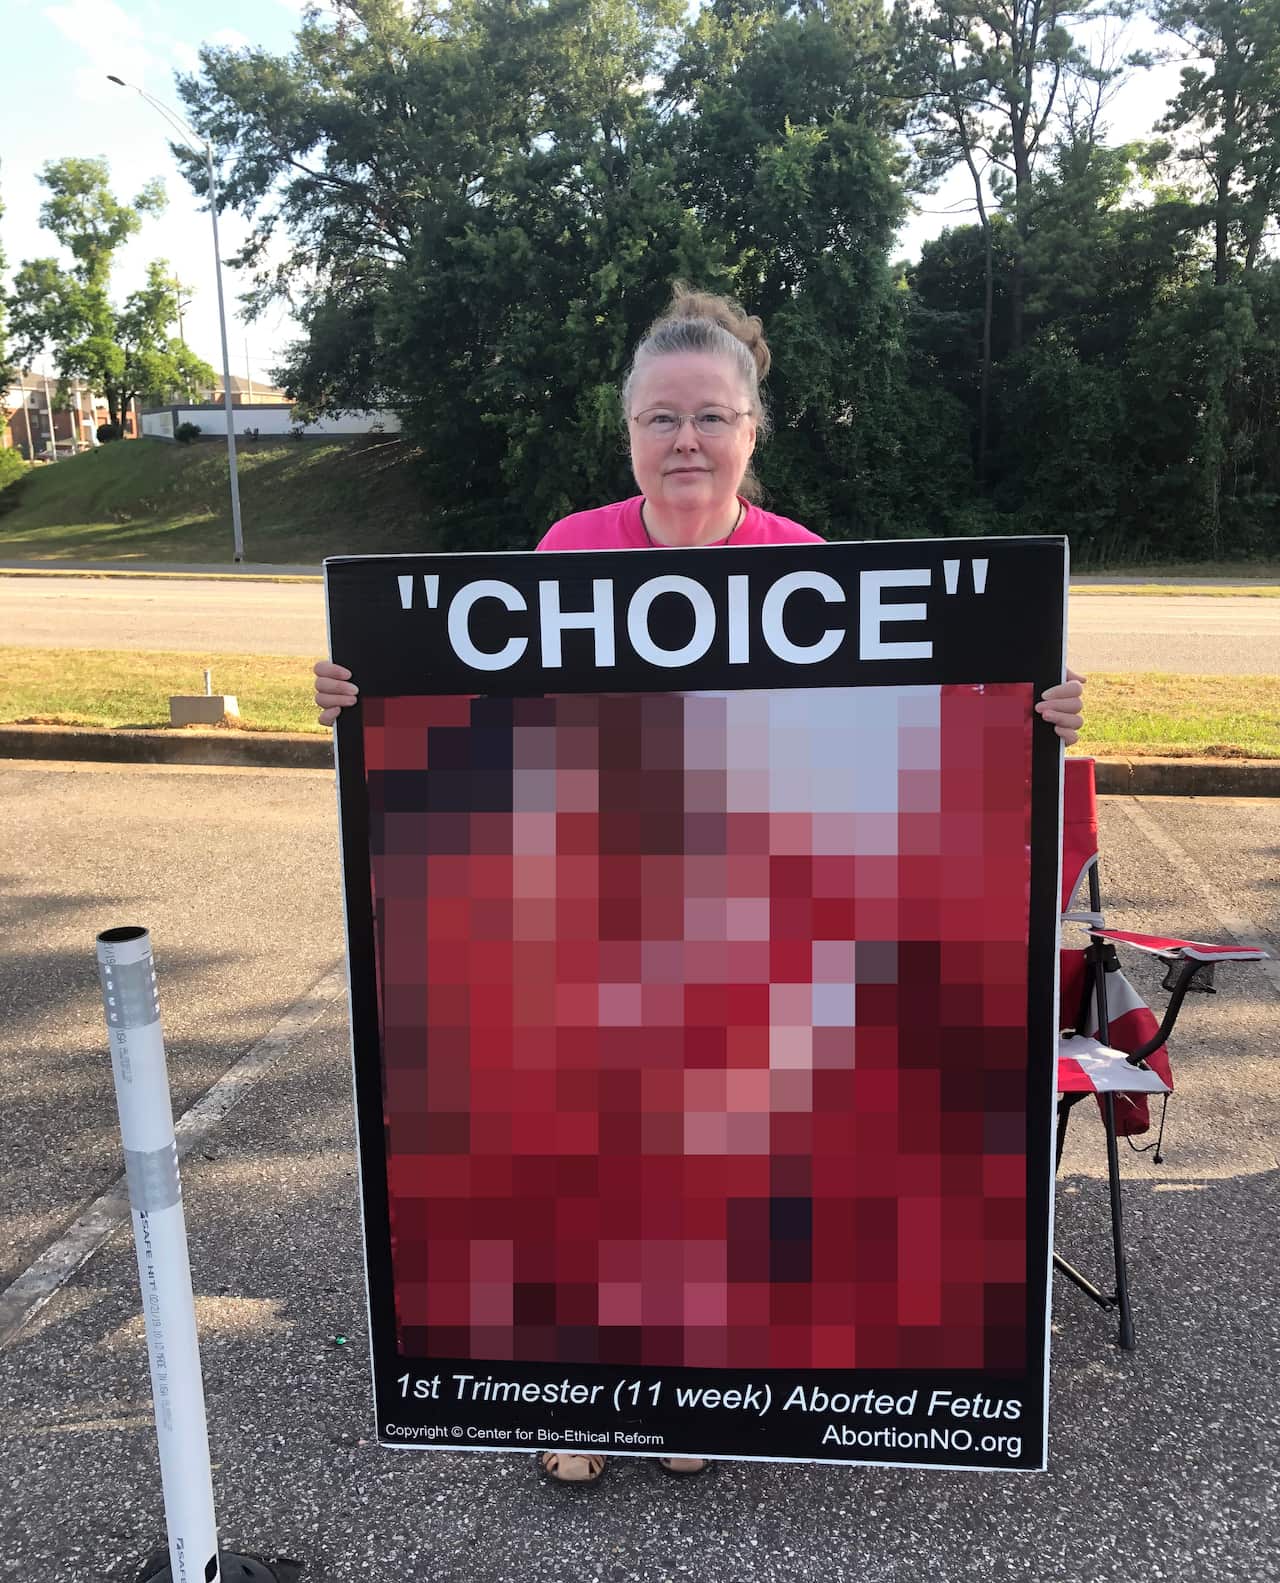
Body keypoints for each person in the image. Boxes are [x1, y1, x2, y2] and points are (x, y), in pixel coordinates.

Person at [315, 286, 1086, 1488]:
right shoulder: (568, 552)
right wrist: (364, 695)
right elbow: (486, 721)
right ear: (626, 430)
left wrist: (1030, 712)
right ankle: (577, 1394)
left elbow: (890, 750)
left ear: (750, 430)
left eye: (710, 417)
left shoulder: (805, 567)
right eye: (660, 418)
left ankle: (693, 1387)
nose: (685, 440)